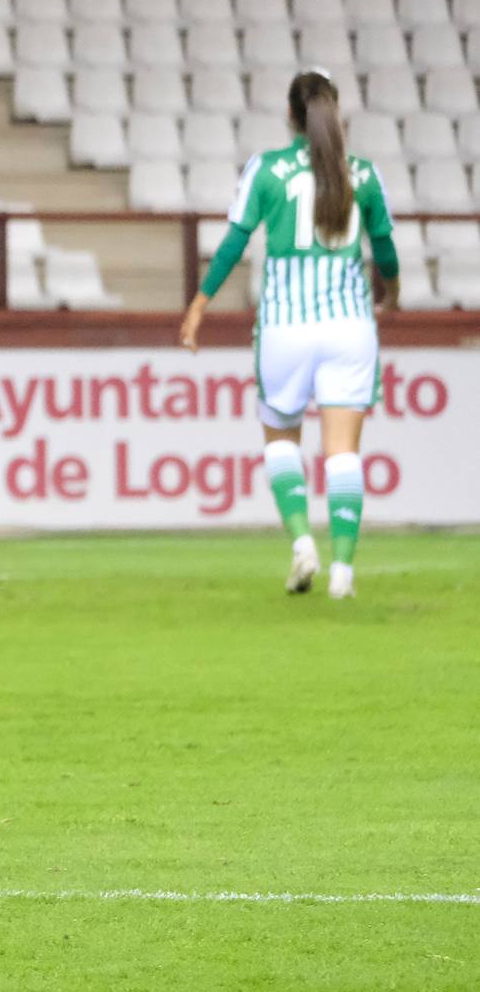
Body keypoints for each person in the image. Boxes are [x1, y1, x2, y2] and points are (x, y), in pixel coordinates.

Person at [180, 68, 399, 601]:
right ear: (334, 110)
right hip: (349, 326)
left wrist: (198, 307)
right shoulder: (363, 175)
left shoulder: (268, 170)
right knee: (343, 452)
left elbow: (233, 243)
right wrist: (389, 294)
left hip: (285, 325)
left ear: (290, 115)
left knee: (281, 438)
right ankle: (343, 573)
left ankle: (303, 543)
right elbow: (385, 250)